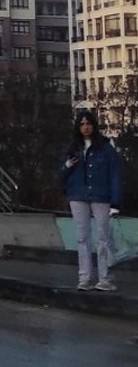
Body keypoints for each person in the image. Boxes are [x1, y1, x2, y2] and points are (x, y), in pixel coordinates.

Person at [60, 110, 123, 292]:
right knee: (82, 238)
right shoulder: (73, 148)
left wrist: (115, 203)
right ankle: (84, 278)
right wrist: (67, 166)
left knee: (102, 238)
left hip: (100, 196)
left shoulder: (105, 147)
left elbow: (114, 174)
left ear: (94, 126)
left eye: (88, 124)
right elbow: (61, 173)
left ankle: (104, 278)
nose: (86, 127)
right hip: (78, 195)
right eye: (82, 124)